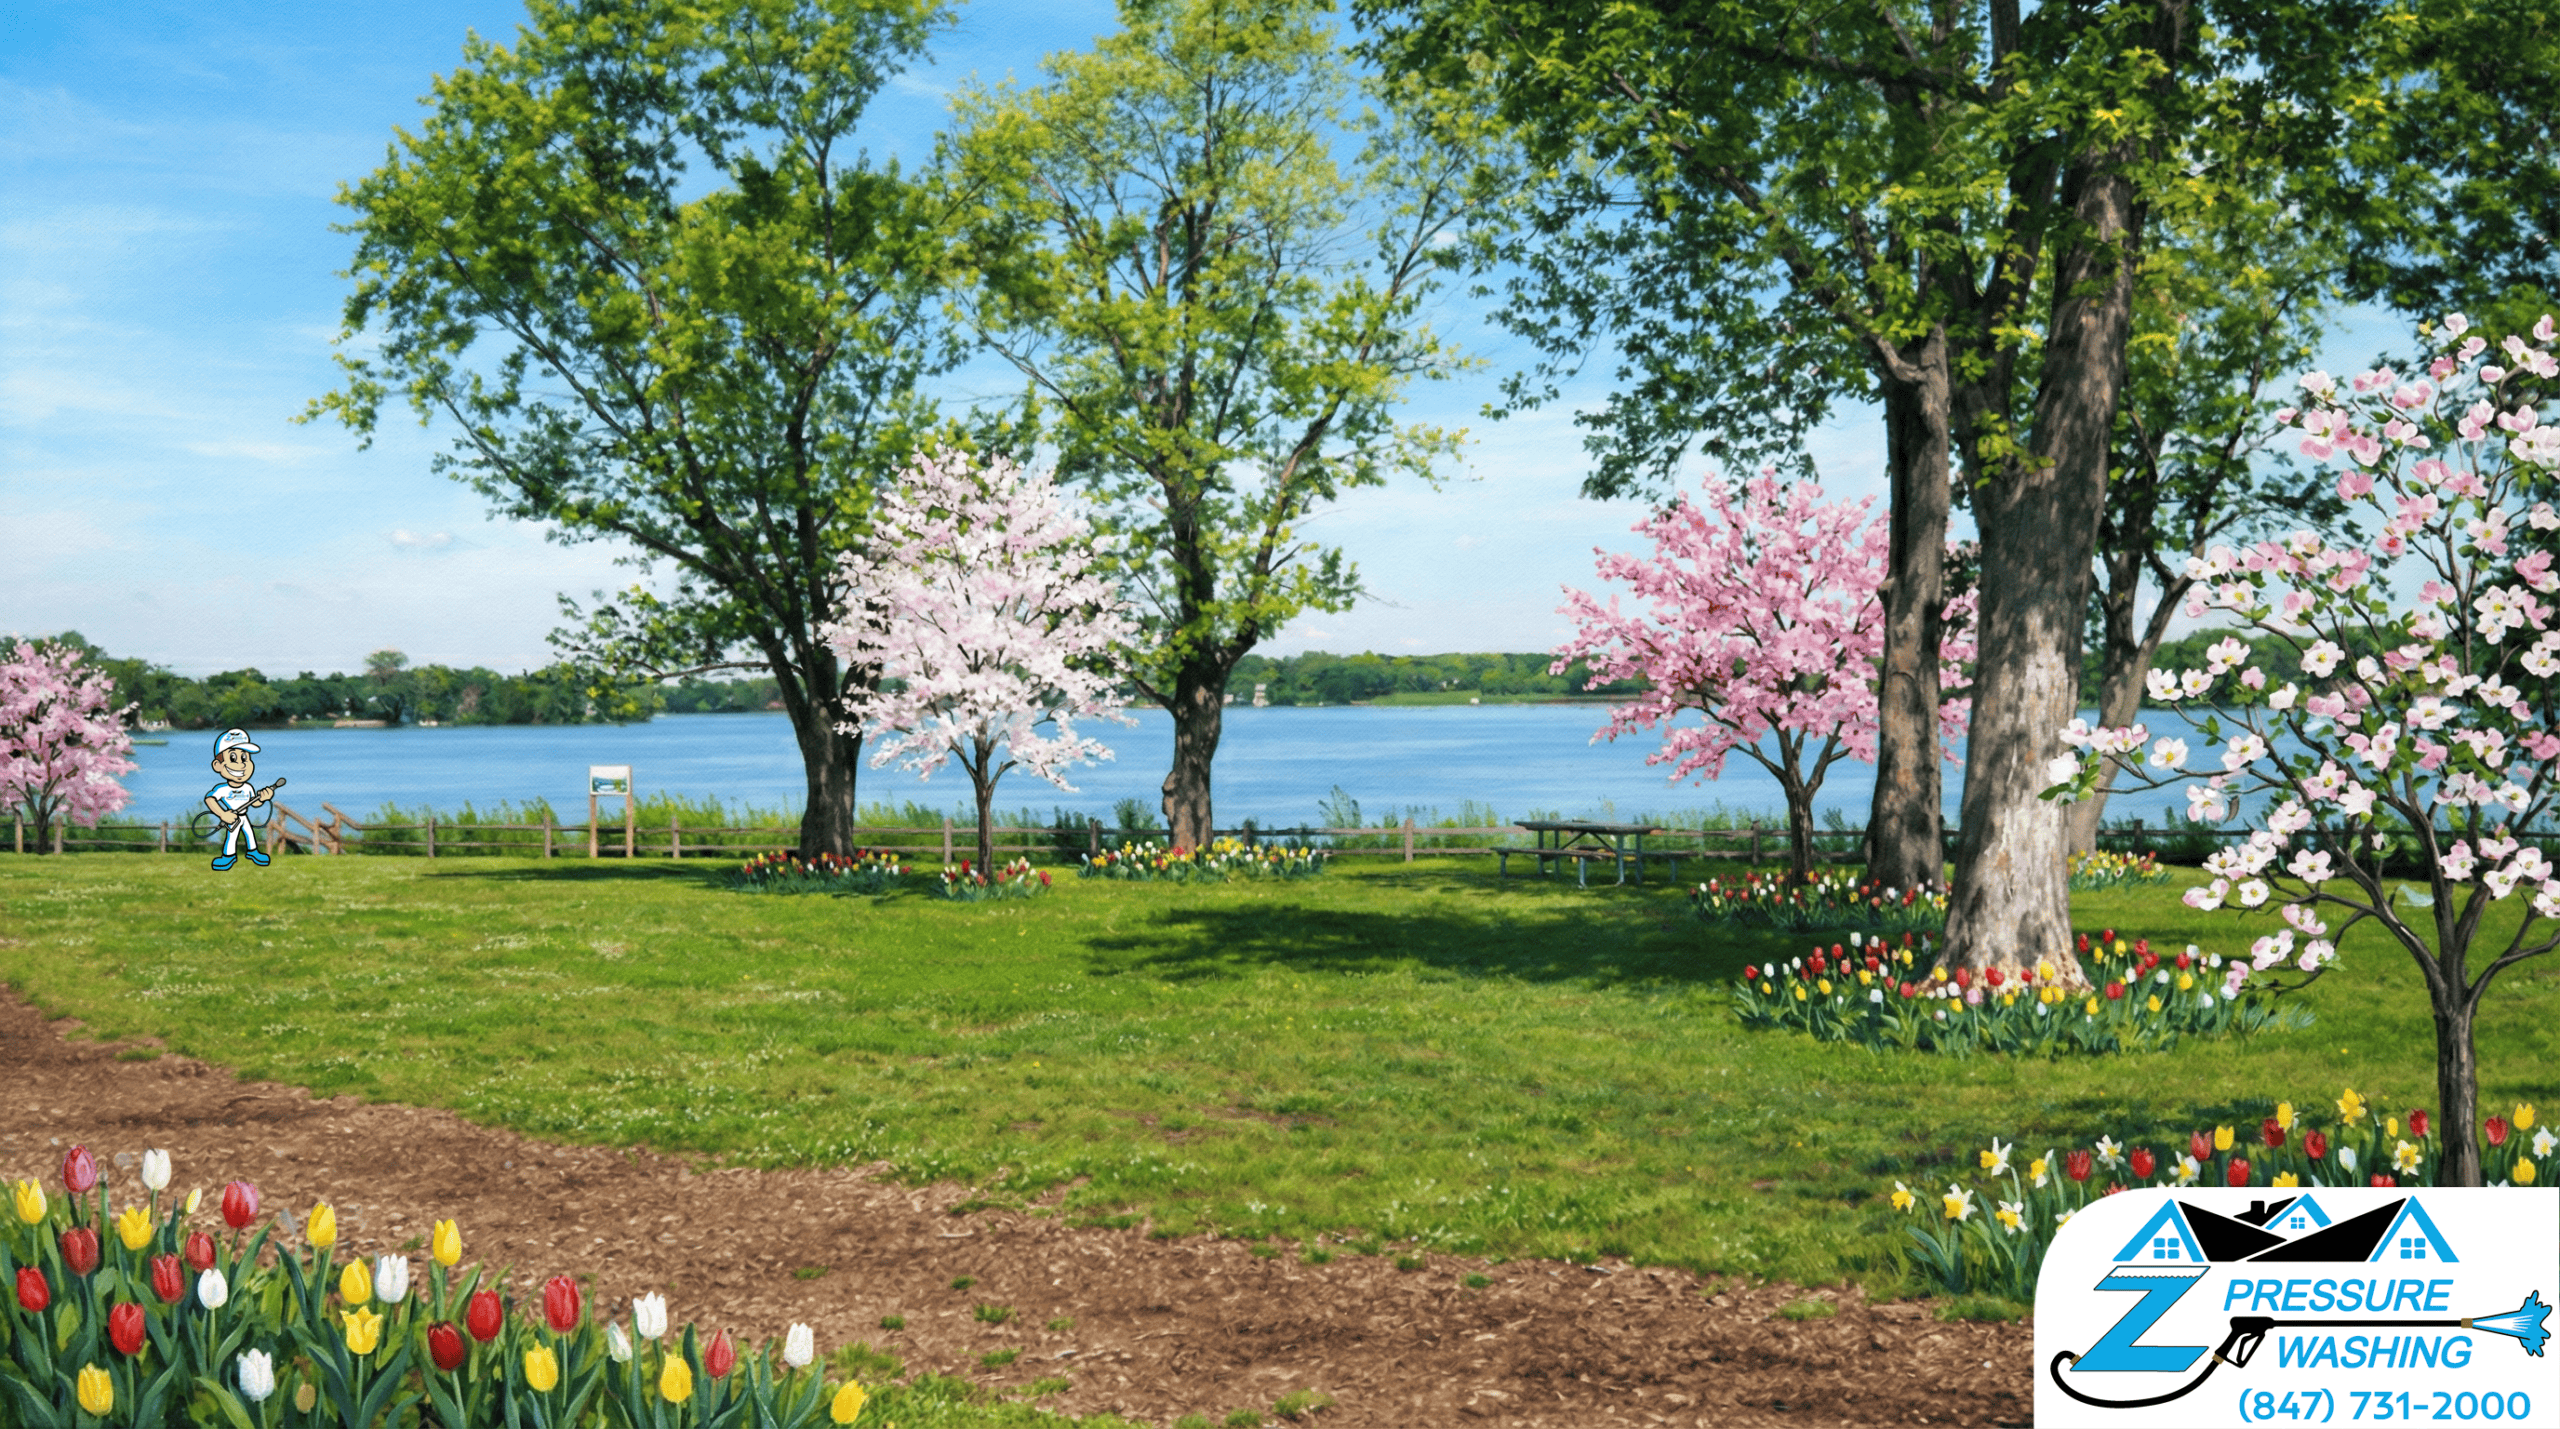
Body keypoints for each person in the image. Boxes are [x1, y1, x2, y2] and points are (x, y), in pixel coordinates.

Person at [204, 728, 282, 870]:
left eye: (245, 758)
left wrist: (263, 798)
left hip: (243, 816)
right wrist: (223, 814)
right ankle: (228, 856)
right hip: (232, 817)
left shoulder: (248, 787)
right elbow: (210, 799)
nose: (241, 764)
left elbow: (254, 803)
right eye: (233, 758)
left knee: (249, 833)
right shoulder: (223, 789)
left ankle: (253, 852)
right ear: (217, 765)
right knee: (232, 836)